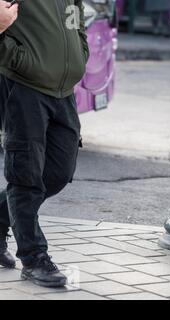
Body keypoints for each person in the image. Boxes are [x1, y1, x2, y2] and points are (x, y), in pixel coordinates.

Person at [0, 0, 89, 288]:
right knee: (25, 177)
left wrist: (80, 52)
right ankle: (35, 258)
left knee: (58, 173)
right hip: (24, 86)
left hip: (63, 90)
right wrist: (15, 56)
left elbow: (75, 13)